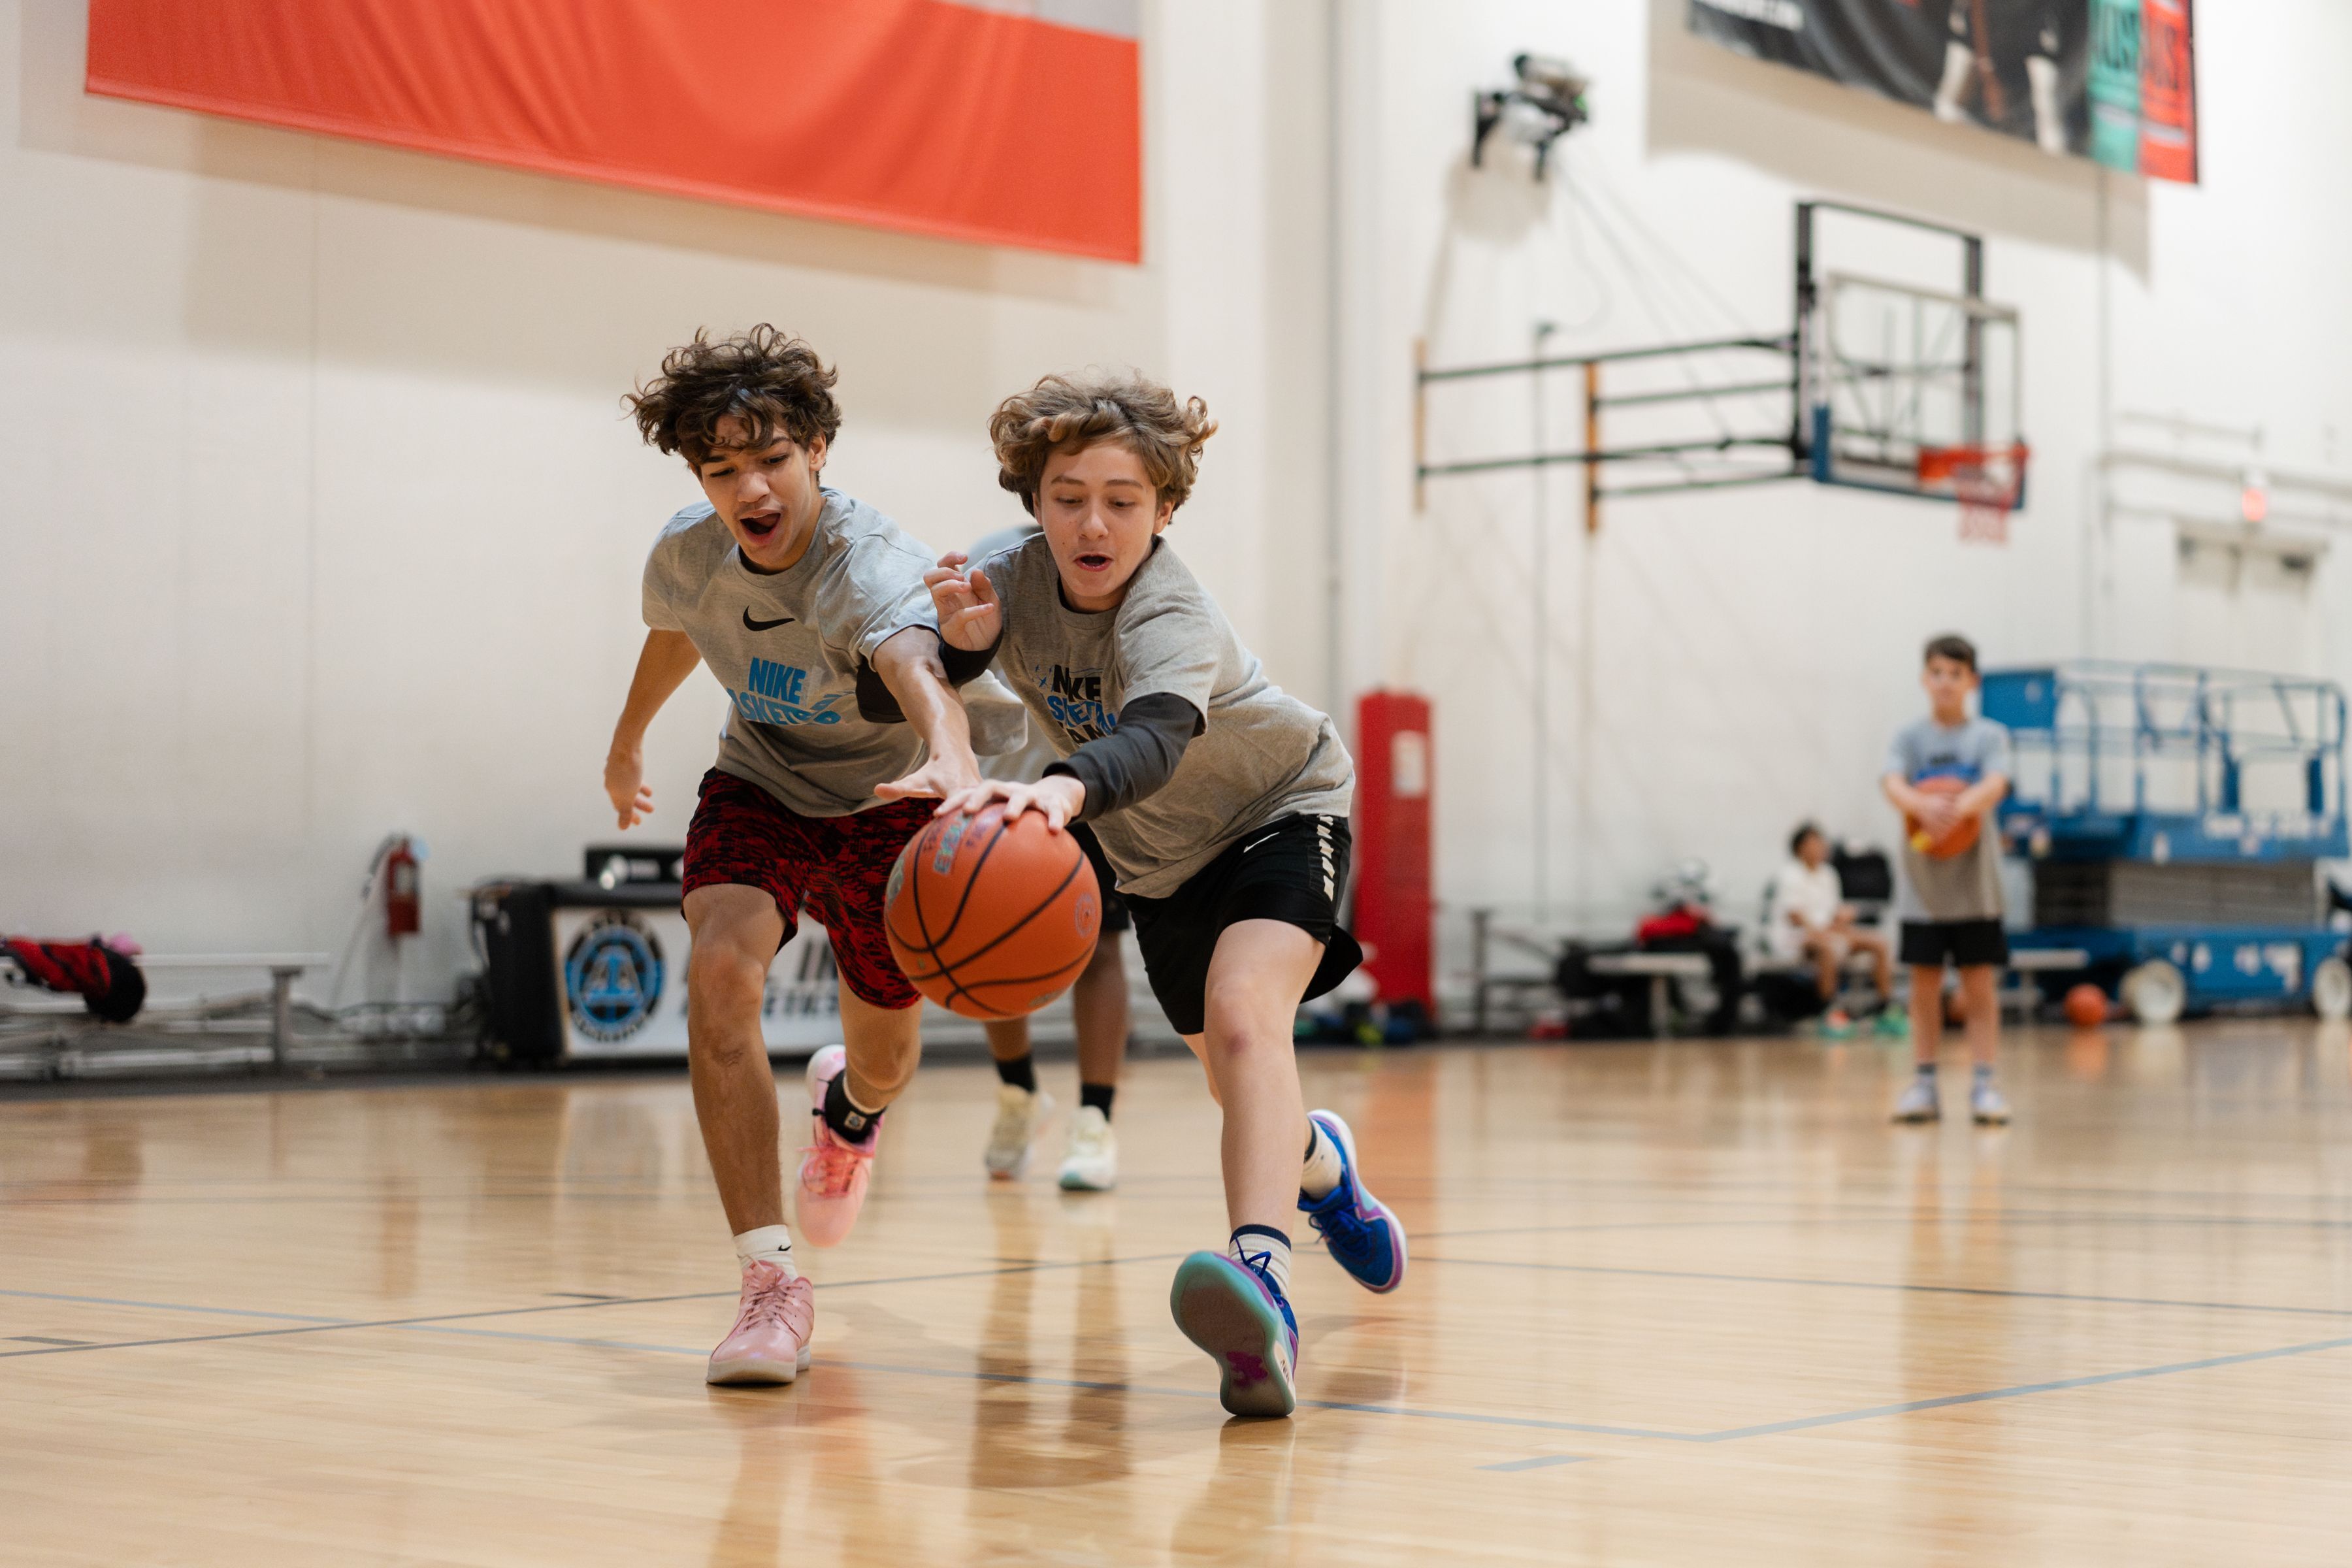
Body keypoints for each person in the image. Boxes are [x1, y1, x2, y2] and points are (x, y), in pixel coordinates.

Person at [926, 370, 1407, 1418]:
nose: (1093, 522)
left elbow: (1150, 741)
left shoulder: (1171, 607)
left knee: (1246, 1017)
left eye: (1123, 499)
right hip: (1160, 864)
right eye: (1067, 496)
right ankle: (1325, 1174)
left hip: (1283, 804)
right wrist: (950, 656)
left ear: (1166, 508)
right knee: (1241, 1082)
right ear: (1033, 500)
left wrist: (1062, 785)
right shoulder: (1006, 580)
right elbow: (902, 663)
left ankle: (1261, 1285)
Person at [604, 325, 996, 1388]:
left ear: (818, 449)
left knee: (886, 1060)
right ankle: (769, 1284)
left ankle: (850, 1115)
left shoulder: (871, 565)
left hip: (886, 799)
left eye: (770, 459)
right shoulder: (689, 549)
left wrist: (954, 763)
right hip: (763, 782)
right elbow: (682, 624)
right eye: (722, 470)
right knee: (720, 969)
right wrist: (630, 737)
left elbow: (919, 671)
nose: (750, 489)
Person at [966, 520, 1132, 1192]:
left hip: (1087, 784)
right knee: (985, 954)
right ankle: (1018, 1094)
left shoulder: (1126, 564)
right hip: (996, 787)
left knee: (1101, 948)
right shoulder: (989, 561)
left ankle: (1095, 1119)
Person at [1882, 633, 2014, 1124]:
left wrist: (1955, 809)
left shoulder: (1989, 737)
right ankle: (1923, 1083)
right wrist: (1920, 804)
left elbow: (1996, 784)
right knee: (1924, 988)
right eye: (1937, 673)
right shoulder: (1908, 738)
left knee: (1979, 986)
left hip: (1975, 886)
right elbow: (1892, 782)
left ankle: (1984, 1083)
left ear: (1971, 682)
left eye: (1955, 674)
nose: (1945, 682)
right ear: (1924, 679)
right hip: (1924, 888)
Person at [1766, 823, 1895, 1034]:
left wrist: (1843, 917)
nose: (1820, 847)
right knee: (1829, 948)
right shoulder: (1789, 875)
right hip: (1796, 937)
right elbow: (1795, 916)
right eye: (1814, 843)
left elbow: (1832, 910)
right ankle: (1829, 1010)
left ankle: (1885, 1009)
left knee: (1879, 942)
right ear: (1800, 848)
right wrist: (1822, 933)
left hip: (1828, 931)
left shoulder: (1829, 874)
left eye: (1821, 842)